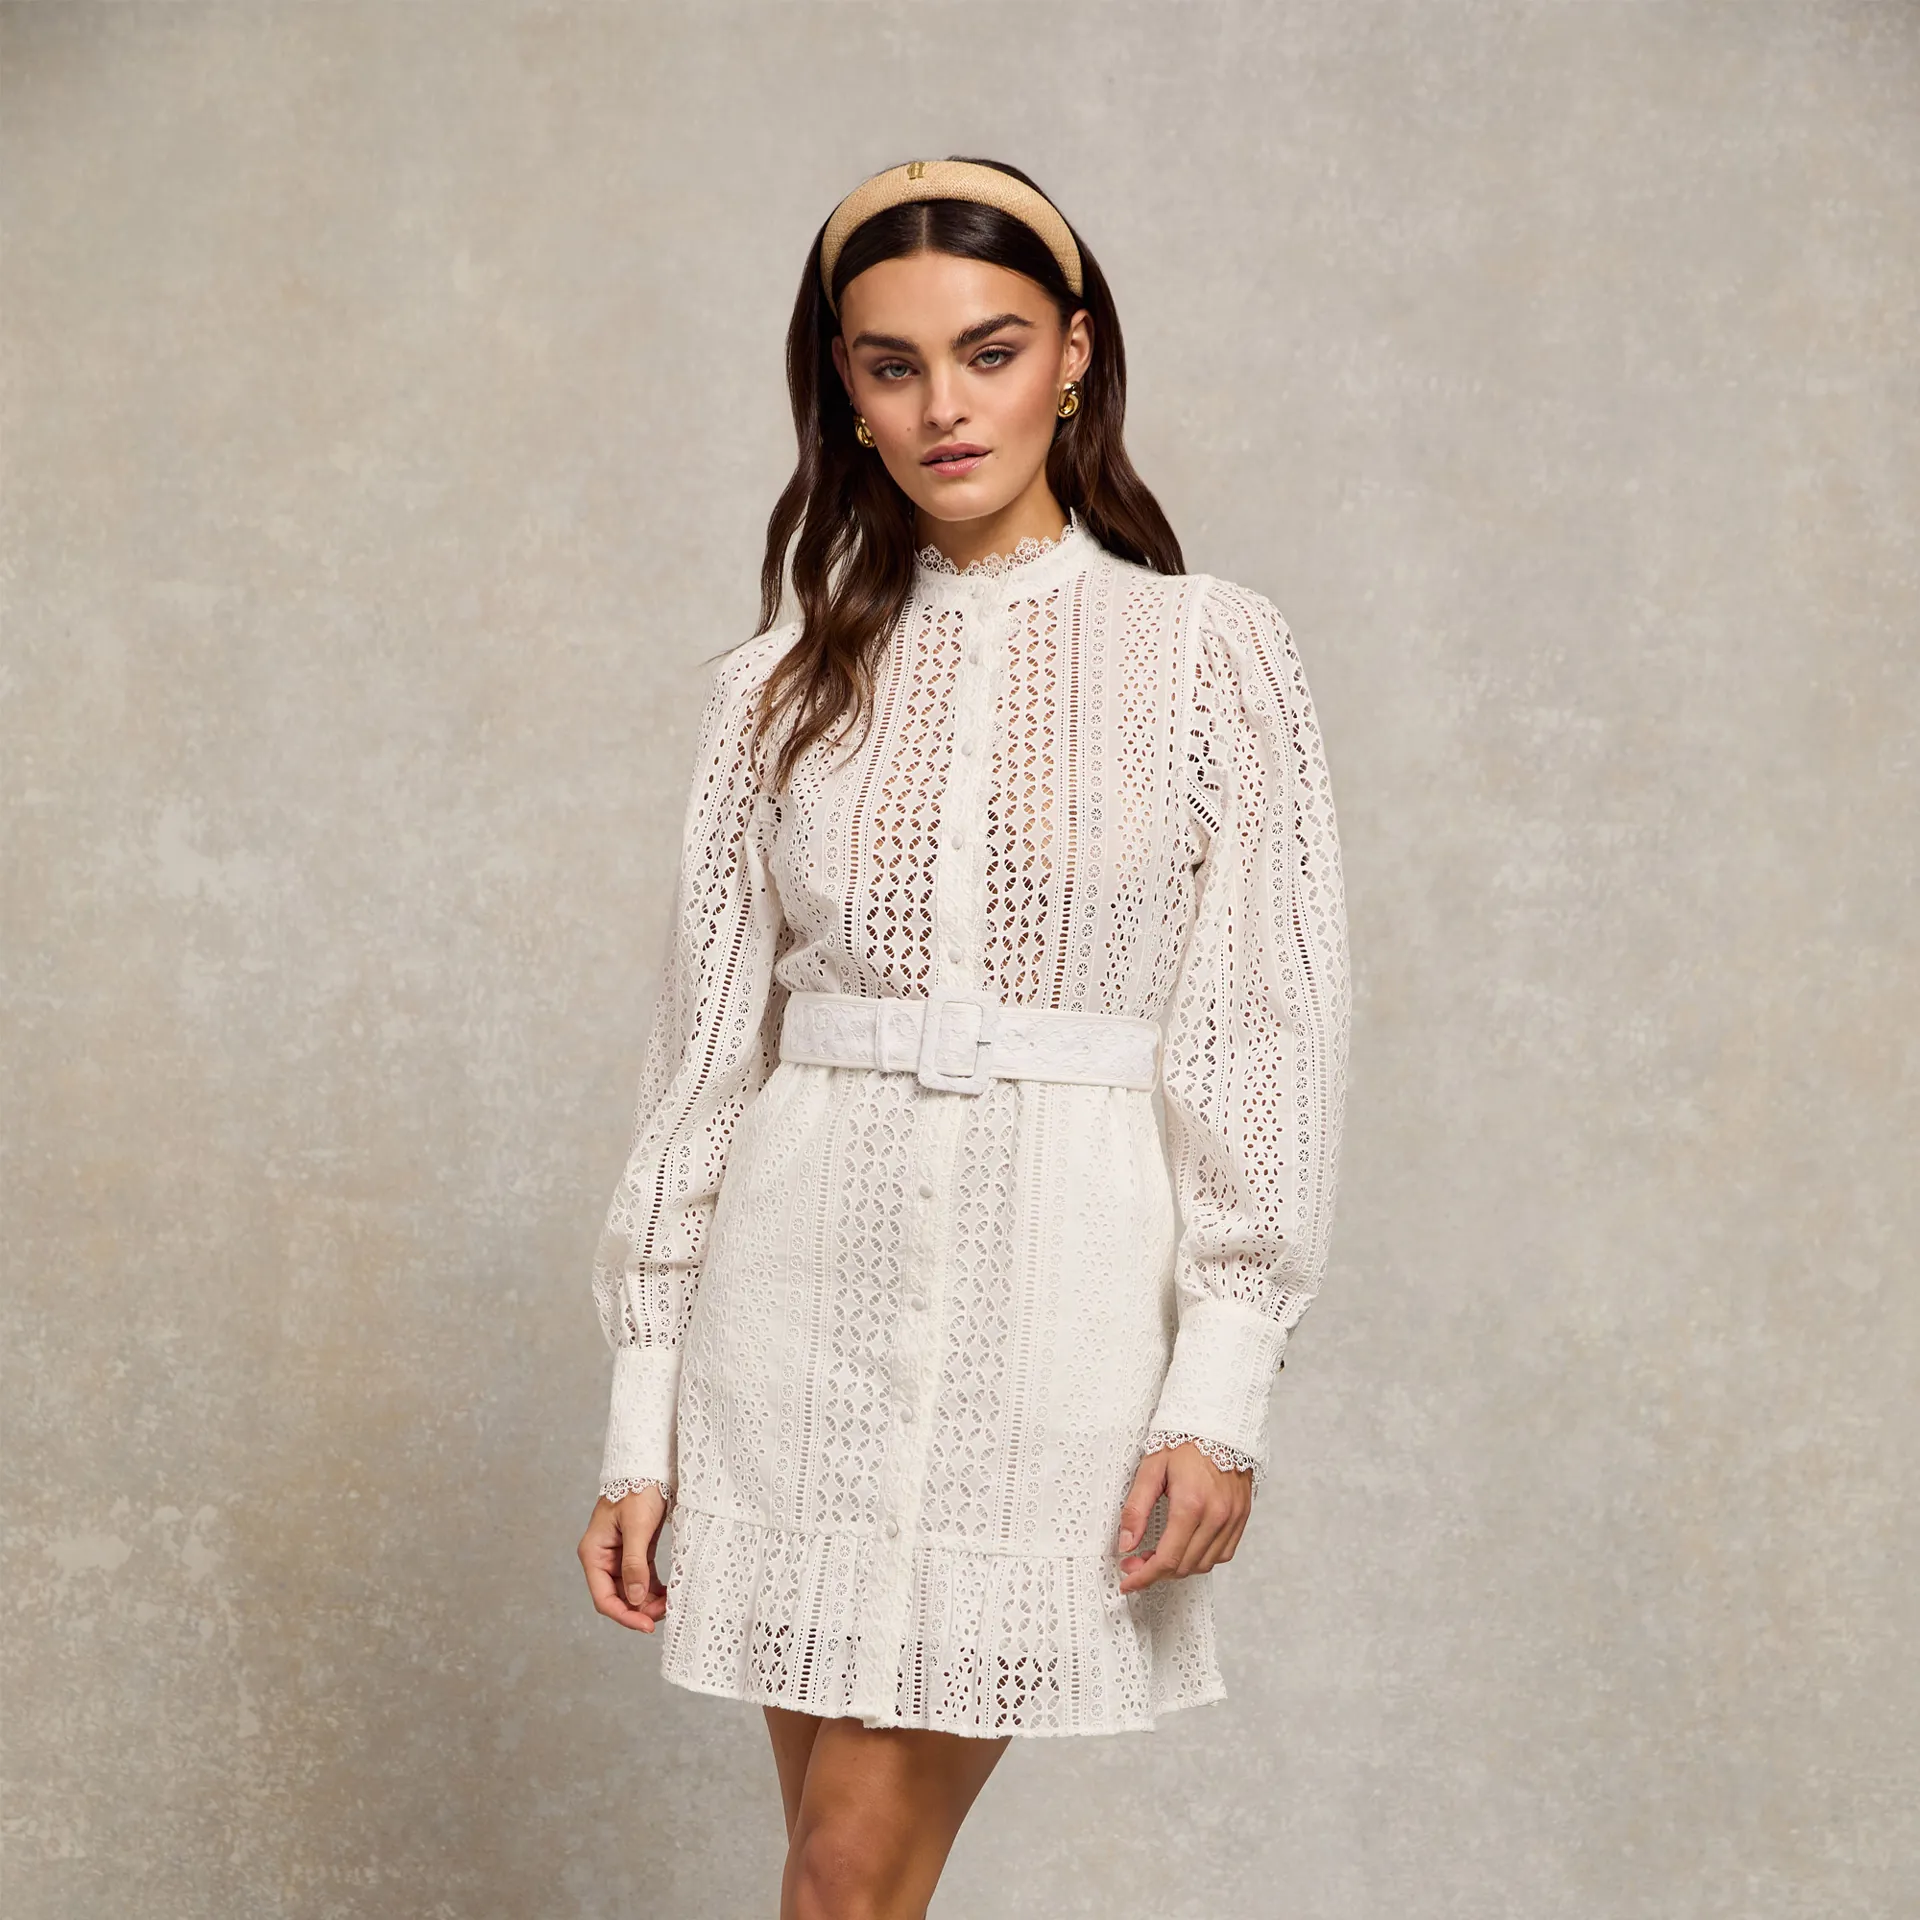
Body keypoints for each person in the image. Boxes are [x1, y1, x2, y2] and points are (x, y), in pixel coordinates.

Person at [576, 155, 1353, 1919]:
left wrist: (1221, 1392)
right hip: (790, 1314)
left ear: (1074, 355)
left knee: (845, 1872)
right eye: (893, 364)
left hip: (1057, 1315)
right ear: (843, 394)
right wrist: (642, 1421)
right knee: (842, 1886)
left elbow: (1266, 1034)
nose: (944, 405)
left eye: (989, 352)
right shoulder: (773, 689)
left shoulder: (1213, 654)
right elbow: (700, 1070)